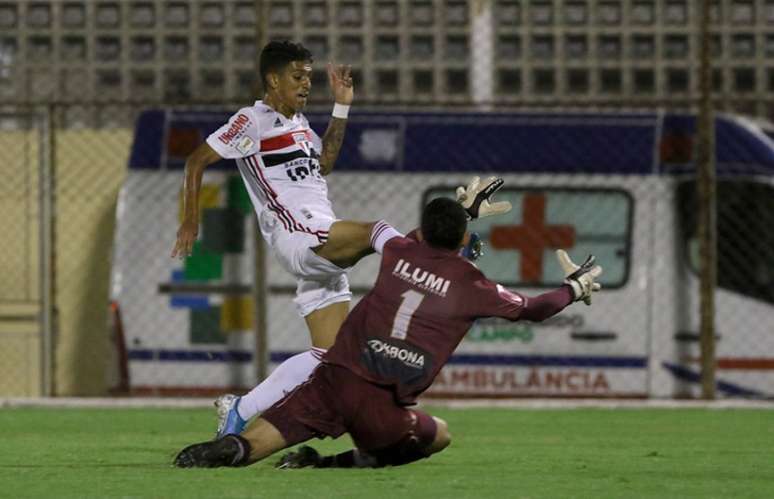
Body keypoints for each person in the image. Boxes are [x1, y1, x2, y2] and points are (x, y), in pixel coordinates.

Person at [170, 41, 511, 438]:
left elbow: (324, 163)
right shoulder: (252, 120)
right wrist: (190, 221)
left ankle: (239, 410)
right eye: (297, 77)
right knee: (375, 231)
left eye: (309, 79)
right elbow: (196, 161)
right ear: (272, 79)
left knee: (328, 357)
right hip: (299, 236)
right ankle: (444, 247)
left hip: (322, 240)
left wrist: (341, 107)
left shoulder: (297, 124)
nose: (305, 86)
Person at [173, 197, 603, 469]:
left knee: (254, 444)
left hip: (334, 378)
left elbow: (379, 231)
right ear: (463, 239)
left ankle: (230, 451)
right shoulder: (473, 285)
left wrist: (461, 208)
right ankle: (332, 464)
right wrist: (573, 288)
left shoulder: (398, 249)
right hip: (382, 405)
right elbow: (534, 309)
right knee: (439, 435)